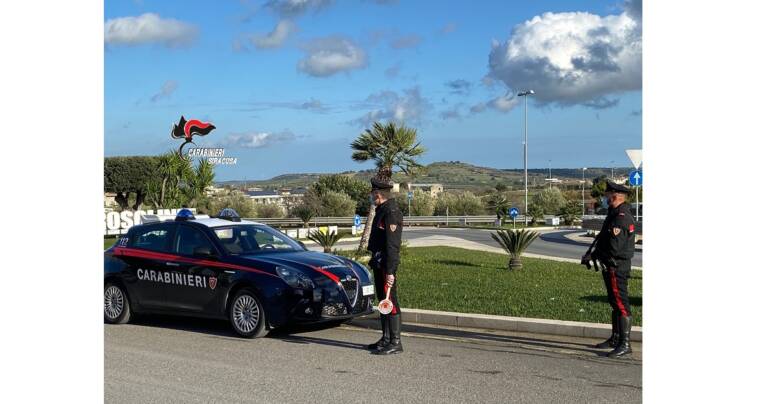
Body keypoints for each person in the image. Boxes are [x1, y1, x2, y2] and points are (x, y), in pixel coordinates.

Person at [583, 181, 636, 358]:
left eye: (607, 195)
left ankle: (625, 343)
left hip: (617, 266)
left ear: (615, 196)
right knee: (615, 303)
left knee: (621, 304)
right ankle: (615, 338)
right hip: (611, 265)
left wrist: (599, 256)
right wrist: (592, 254)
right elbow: (603, 240)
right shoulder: (614, 214)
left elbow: (615, 247)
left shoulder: (621, 217)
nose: (605, 197)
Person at [366, 176, 404, 355]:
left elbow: (392, 245)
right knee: (383, 301)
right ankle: (386, 338)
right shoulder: (382, 209)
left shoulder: (392, 212)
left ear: (377, 194)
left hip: (386, 264)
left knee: (391, 301)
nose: (371, 196)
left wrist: (390, 271)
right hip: (379, 261)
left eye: (373, 193)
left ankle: (396, 341)